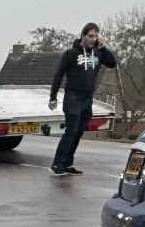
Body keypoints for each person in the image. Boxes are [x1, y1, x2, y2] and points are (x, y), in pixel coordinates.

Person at [48, 23, 116, 177]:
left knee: (78, 132)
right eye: (90, 36)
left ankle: (67, 164)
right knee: (71, 131)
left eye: (96, 36)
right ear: (83, 36)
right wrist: (53, 97)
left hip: (87, 98)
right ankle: (57, 164)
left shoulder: (98, 53)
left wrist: (104, 48)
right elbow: (59, 75)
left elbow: (112, 63)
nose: (94, 39)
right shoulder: (71, 54)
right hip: (73, 97)